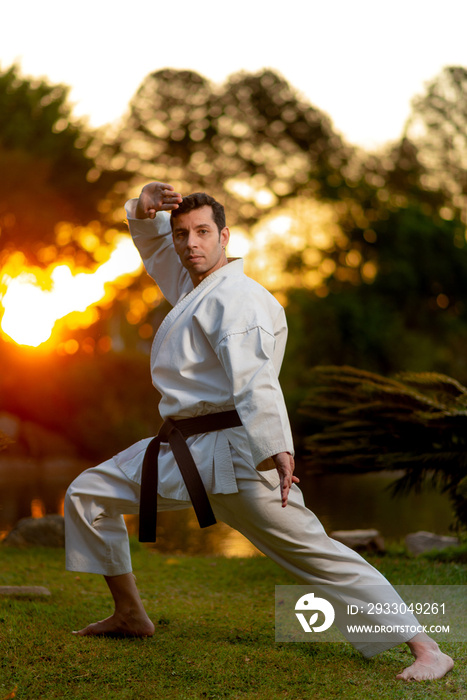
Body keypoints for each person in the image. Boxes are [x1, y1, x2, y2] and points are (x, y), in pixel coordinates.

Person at [64, 181, 453, 682]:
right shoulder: (194, 288)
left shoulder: (239, 300)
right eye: (182, 234)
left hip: (237, 455)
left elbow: (255, 380)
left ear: (225, 237)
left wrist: (277, 448)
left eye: (203, 232)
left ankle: (427, 649)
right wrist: (141, 212)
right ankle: (131, 615)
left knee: (318, 555)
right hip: (183, 450)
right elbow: (158, 251)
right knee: (88, 492)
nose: (190, 244)